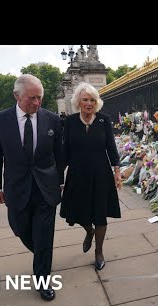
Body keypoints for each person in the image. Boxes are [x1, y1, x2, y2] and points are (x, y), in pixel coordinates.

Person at [0, 74, 65, 301]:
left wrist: (60, 181)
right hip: (16, 187)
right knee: (20, 229)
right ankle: (42, 254)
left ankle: (43, 276)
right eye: (32, 98)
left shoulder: (51, 119)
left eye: (40, 98)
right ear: (17, 96)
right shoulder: (0, 120)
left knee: (44, 235)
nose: (37, 103)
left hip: (46, 188)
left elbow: (59, 154)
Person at [60, 82, 122, 271]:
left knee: (100, 214)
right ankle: (89, 231)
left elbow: (111, 147)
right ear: (78, 101)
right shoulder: (69, 122)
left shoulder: (104, 120)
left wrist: (117, 172)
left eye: (92, 100)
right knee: (80, 212)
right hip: (77, 175)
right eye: (85, 99)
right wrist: (59, 178)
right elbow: (65, 151)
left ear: (97, 102)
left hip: (101, 174)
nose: (89, 103)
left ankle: (99, 251)